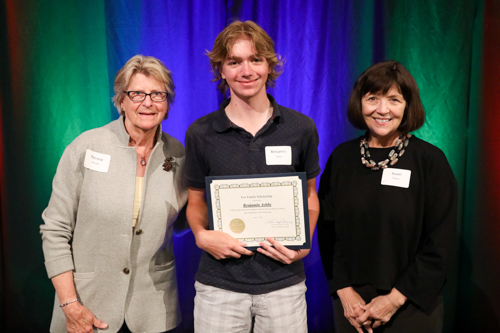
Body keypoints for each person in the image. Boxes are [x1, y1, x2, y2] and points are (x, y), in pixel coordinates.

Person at [184, 21, 320, 332]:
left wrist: (305, 242)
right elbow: (195, 202)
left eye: (255, 59)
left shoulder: (301, 128)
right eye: (234, 61)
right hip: (219, 286)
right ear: (221, 69)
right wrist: (201, 235)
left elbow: (310, 197)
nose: (246, 71)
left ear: (269, 64)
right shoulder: (201, 133)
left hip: (283, 284)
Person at [40, 55, 188, 333]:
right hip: (86, 307)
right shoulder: (85, 147)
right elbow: (55, 230)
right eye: (137, 94)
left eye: (158, 94)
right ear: (121, 101)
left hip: (154, 310)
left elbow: (183, 222)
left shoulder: (179, 154)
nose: (148, 102)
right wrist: (69, 303)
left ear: (167, 104)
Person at [317, 60, 458, 333]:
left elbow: (441, 241)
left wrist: (394, 300)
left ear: (407, 106)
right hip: (352, 307)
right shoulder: (342, 158)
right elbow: (327, 231)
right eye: (372, 99)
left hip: (412, 305)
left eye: (394, 99)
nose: (382, 110)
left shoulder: (430, 161)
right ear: (360, 103)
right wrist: (344, 290)